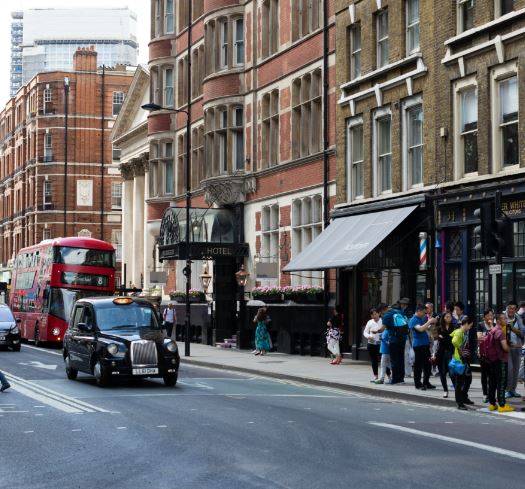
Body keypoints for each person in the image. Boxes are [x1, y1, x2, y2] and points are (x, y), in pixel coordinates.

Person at [487, 314, 514, 413]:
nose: (506, 320)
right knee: (501, 383)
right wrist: (510, 347)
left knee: (492, 383)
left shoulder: (492, 331)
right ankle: (502, 405)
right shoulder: (500, 332)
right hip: (501, 360)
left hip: (492, 360)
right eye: (503, 318)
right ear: (498, 320)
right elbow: (505, 348)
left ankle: (492, 404)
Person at [381, 299, 410, 384]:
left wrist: (375, 331)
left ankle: (395, 379)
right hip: (402, 338)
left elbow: (381, 329)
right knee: (401, 359)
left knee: (394, 360)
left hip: (393, 340)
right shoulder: (400, 313)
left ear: (383, 310)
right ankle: (401, 379)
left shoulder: (387, 316)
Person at [409, 304, 437, 391]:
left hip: (425, 345)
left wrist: (429, 325)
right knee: (418, 366)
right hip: (419, 345)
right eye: (423, 312)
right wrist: (429, 322)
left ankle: (426, 382)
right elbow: (420, 329)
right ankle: (418, 384)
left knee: (427, 365)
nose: (424, 314)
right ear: (418, 311)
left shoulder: (420, 319)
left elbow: (424, 328)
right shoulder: (413, 320)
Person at [451, 317, 474, 410]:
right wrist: (460, 350)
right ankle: (459, 403)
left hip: (464, 359)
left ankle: (464, 397)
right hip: (460, 360)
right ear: (466, 324)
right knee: (459, 382)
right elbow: (454, 341)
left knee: (468, 379)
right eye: (470, 325)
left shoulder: (463, 332)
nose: (470, 327)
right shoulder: (460, 332)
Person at [504, 301, 525, 399]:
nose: (511, 310)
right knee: (510, 369)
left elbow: (522, 334)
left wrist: (513, 329)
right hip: (506, 348)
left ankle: (513, 390)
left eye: (513, 308)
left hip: (517, 347)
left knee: (516, 370)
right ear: (506, 308)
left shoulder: (518, 318)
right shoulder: (501, 317)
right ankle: (507, 390)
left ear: (516, 309)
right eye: (509, 308)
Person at [436, 311, 456, 398]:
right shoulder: (440, 327)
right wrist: (446, 339)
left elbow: (453, 341)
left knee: (452, 372)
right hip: (441, 352)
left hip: (451, 352)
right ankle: (445, 390)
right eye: (447, 317)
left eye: (450, 317)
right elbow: (440, 339)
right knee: (442, 372)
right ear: (444, 318)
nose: (449, 318)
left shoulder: (454, 327)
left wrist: (444, 338)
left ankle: (457, 389)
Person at [477, 309, 494, 403]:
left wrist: (492, 326)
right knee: (484, 374)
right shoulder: (480, 325)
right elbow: (480, 338)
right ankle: (485, 394)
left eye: (492, 315)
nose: (490, 317)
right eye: (488, 315)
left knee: (492, 375)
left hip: (492, 353)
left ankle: (491, 394)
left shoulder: (494, 325)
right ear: (484, 317)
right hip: (483, 353)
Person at [363, 308, 382, 381]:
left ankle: (389, 375)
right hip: (371, 344)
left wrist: (382, 337)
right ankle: (375, 376)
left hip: (380, 344)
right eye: (372, 314)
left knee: (383, 360)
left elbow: (385, 331)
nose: (374, 316)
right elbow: (365, 332)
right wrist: (369, 336)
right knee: (374, 360)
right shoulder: (369, 322)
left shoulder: (382, 321)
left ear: (378, 313)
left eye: (375, 314)